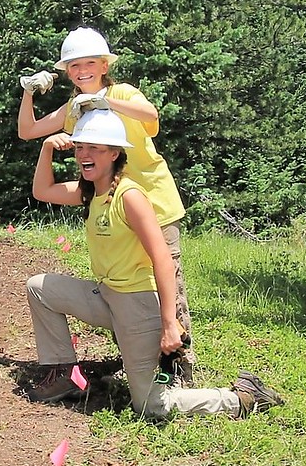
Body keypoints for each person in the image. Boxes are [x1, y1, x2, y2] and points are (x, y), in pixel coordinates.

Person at [24, 109, 282, 420]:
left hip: (137, 305)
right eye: (80, 147)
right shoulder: (92, 191)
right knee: (39, 288)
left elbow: (162, 258)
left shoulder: (129, 195)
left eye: (94, 148)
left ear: (115, 153)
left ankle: (243, 397)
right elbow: (42, 191)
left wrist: (170, 323)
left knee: (151, 405)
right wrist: (47, 147)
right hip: (106, 296)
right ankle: (63, 375)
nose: (84, 155)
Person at [17, 26, 198, 384]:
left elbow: (151, 117)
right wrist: (28, 92)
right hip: (112, 208)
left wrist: (105, 102)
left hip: (153, 204)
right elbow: (28, 130)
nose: (82, 70)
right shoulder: (73, 108)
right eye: (74, 65)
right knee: (125, 288)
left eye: (89, 63)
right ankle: (138, 359)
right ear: (66, 71)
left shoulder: (122, 92)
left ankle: (180, 371)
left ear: (104, 65)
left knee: (169, 288)